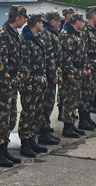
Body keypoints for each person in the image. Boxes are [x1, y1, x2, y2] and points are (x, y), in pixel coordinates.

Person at [0, 5, 28, 166]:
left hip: (11, 84)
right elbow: (0, 64)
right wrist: (6, 86)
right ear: (17, 17)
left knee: (11, 118)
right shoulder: (2, 35)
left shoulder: (14, 34)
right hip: (3, 86)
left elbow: (16, 62)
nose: (25, 21)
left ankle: (4, 148)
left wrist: (17, 82)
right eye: (24, 18)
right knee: (2, 120)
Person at [19, 13, 49, 158]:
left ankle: (32, 138)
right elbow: (24, 64)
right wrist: (27, 83)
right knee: (28, 113)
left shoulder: (38, 38)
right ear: (36, 23)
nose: (42, 25)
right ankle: (25, 143)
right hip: (30, 82)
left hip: (39, 81)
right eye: (41, 23)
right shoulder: (25, 40)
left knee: (37, 112)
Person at [60, 12, 89, 137]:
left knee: (75, 100)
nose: (83, 24)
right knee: (70, 100)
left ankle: (72, 124)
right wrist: (70, 74)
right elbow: (66, 57)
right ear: (77, 22)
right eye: (82, 22)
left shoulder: (75, 33)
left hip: (78, 71)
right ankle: (67, 127)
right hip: (72, 73)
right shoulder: (66, 34)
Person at [37, 11, 62, 145]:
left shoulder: (51, 33)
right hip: (48, 75)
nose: (59, 24)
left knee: (48, 104)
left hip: (50, 72)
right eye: (58, 21)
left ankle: (45, 128)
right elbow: (49, 56)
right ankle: (42, 131)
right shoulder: (47, 34)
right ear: (52, 21)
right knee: (46, 104)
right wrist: (53, 75)